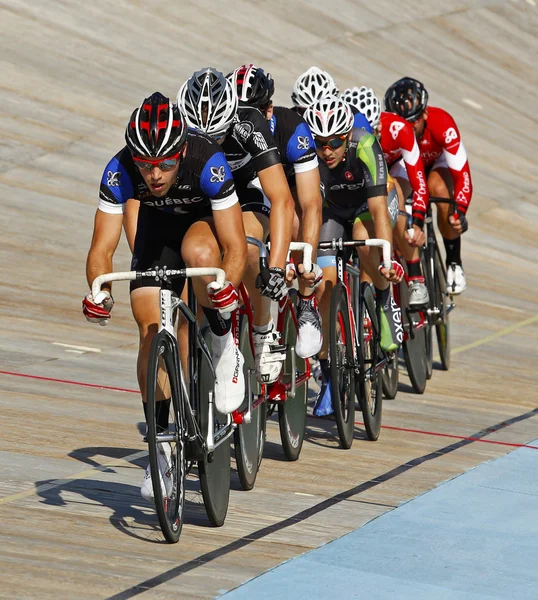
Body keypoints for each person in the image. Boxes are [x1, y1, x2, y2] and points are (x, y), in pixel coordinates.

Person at [83, 92, 247, 500]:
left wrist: (225, 285)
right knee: (148, 325)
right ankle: (160, 446)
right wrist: (98, 290)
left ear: (182, 151)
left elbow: (236, 245)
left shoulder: (207, 161)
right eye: (146, 166)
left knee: (203, 255)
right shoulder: (118, 170)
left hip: (200, 224)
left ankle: (226, 343)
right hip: (157, 232)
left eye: (165, 164)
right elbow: (102, 249)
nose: (155, 175)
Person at [177, 68, 295, 383]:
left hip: (246, 196)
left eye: (216, 137)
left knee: (251, 251)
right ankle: (194, 405)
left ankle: (262, 328)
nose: (208, 146)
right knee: (187, 309)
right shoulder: (180, 128)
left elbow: (282, 199)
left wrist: (279, 267)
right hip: (207, 200)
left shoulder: (249, 125)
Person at [303, 95, 403, 415]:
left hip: (368, 204)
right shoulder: (311, 157)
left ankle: (384, 304)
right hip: (333, 212)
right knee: (325, 286)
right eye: (320, 143)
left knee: (363, 240)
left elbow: (378, 209)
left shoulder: (365, 145)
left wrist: (386, 259)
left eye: (333, 143)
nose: (326, 150)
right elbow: (311, 211)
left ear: (346, 136)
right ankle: (332, 376)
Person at [228, 63, 323, 358]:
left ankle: (306, 304)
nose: (243, 118)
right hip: (253, 193)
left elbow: (310, 204)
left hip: (289, 191)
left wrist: (303, 259)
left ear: (268, 110)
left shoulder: (291, 127)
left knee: (293, 219)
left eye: (252, 109)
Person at [342, 86, 430, 306]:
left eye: (370, 131)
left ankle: (415, 276)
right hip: (366, 174)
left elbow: (418, 180)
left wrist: (417, 221)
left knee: (395, 193)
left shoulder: (399, 129)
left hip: (395, 169)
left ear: (379, 125)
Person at [384, 77, 472, 294]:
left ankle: (453, 261)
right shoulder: (394, 132)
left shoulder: (442, 123)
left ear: (424, 114)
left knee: (438, 189)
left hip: (434, 166)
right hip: (406, 166)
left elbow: (462, 175)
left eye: (413, 121)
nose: (408, 127)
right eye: (402, 121)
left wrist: (459, 211)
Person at [291, 67, 373, 133]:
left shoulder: (357, 121)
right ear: (297, 108)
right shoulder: (287, 119)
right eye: (304, 111)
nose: (312, 117)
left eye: (321, 109)